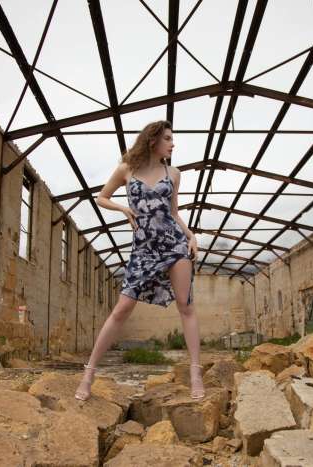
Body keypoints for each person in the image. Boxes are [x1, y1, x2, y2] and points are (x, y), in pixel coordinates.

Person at [74, 120, 204, 401]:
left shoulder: (174, 173)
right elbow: (102, 198)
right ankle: (89, 373)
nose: (173, 144)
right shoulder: (127, 169)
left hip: (174, 244)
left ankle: (196, 373)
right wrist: (123, 209)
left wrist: (191, 235)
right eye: (168, 138)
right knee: (122, 309)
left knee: (186, 306)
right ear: (152, 139)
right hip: (143, 248)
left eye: (172, 138)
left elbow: (174, 212)